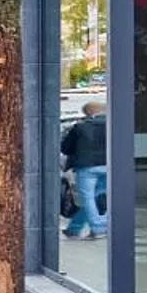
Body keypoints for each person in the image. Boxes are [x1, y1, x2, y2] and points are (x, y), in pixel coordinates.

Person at [61, 100, 107, 240]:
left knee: (87, 199)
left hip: (86, 167)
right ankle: (74, 229)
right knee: (93, 198)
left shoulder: (79, 127)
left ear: (87, 113)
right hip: (109, 165)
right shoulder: (113, 125)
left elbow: (65, 148)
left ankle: (98, 228)